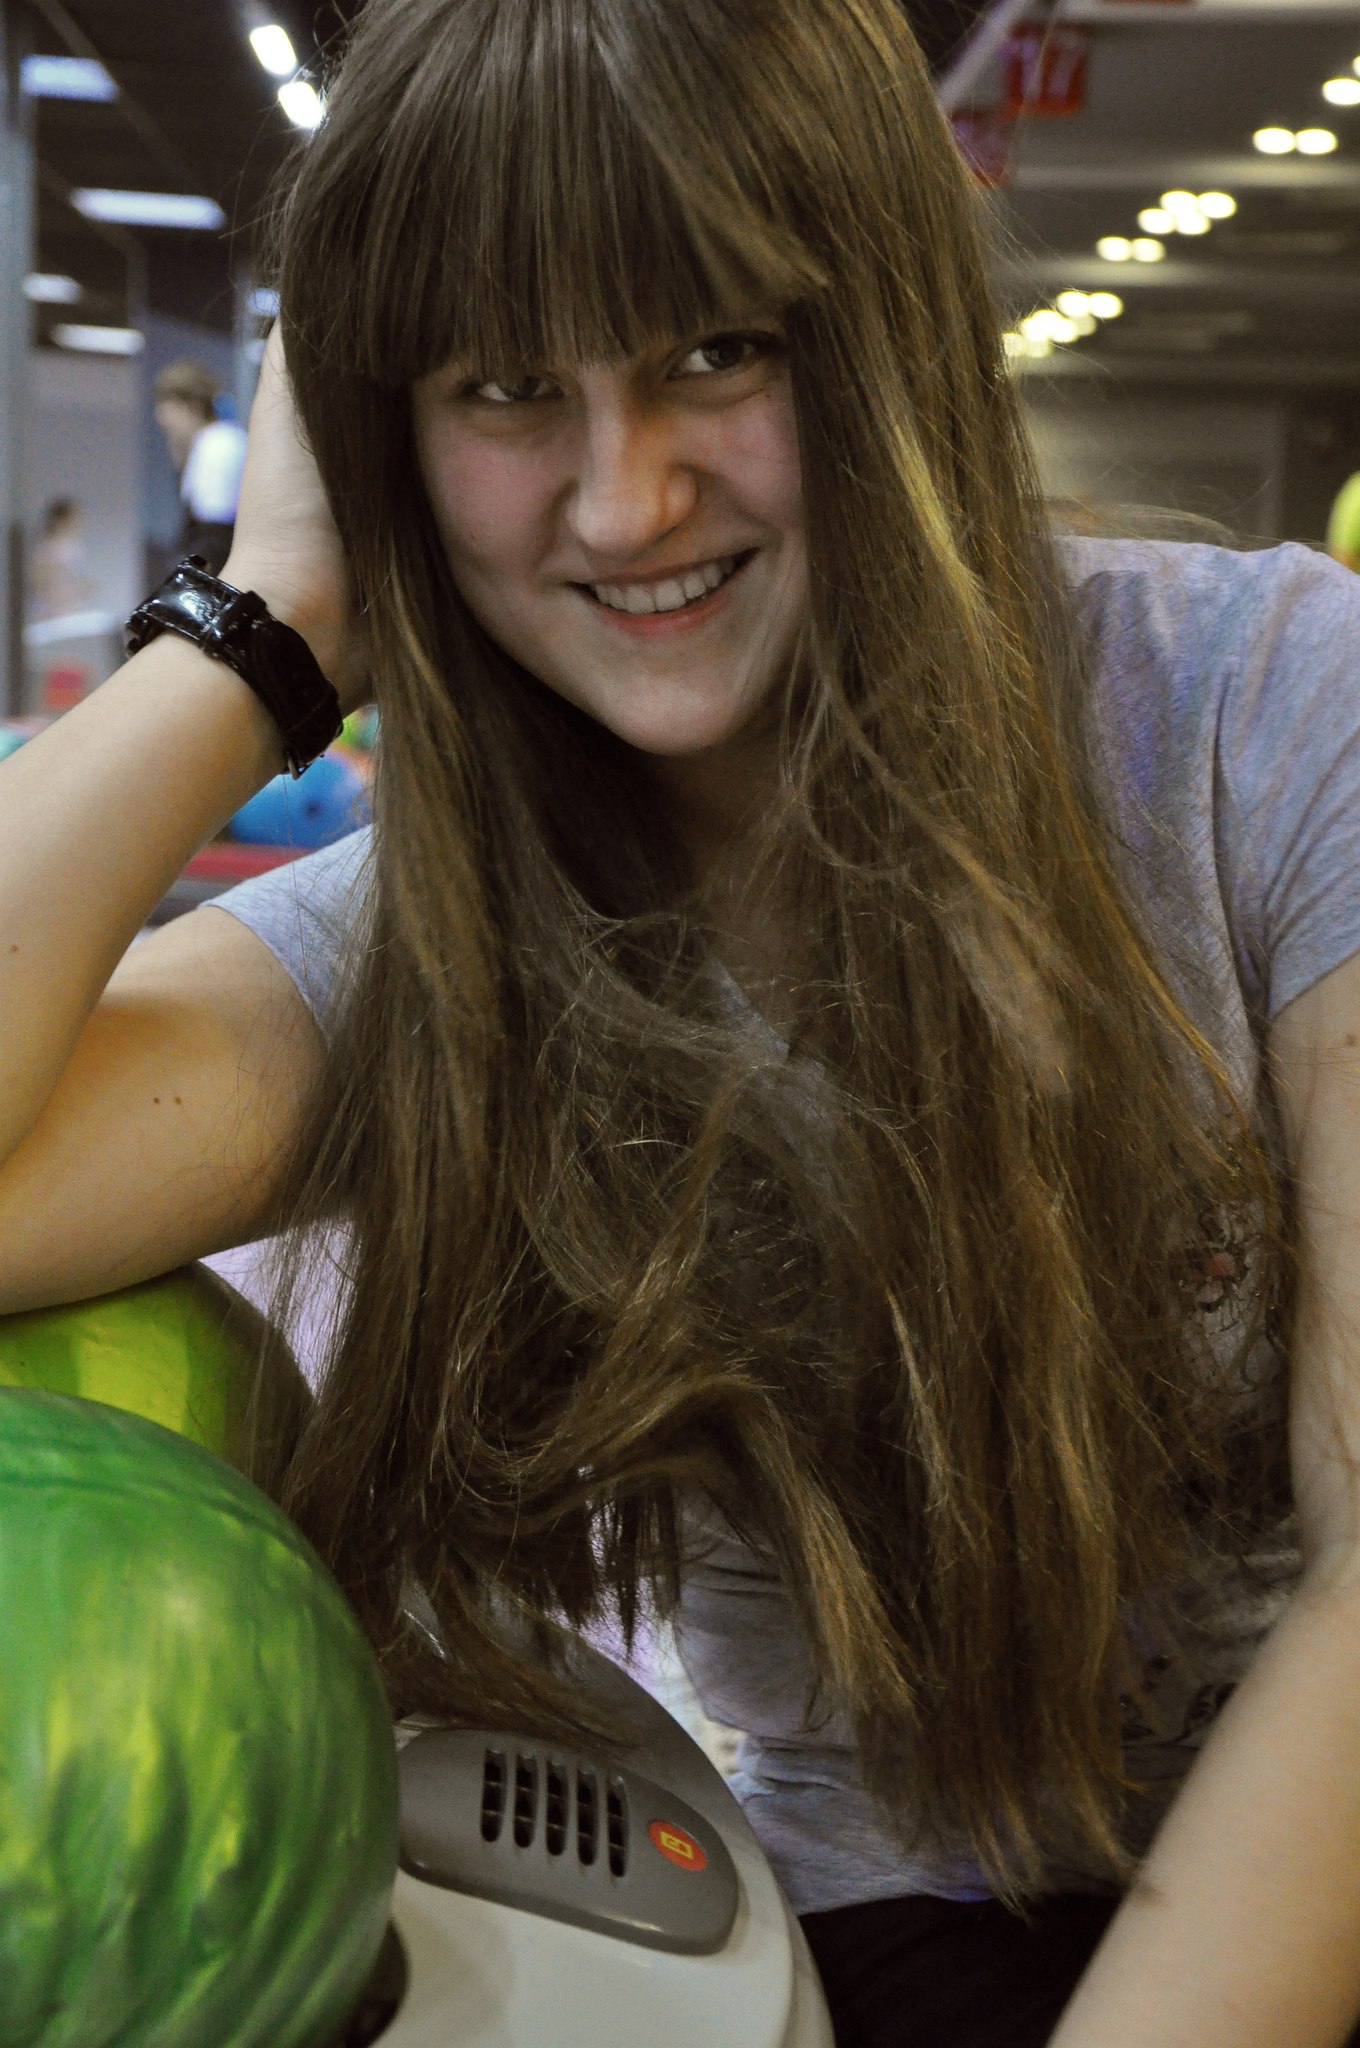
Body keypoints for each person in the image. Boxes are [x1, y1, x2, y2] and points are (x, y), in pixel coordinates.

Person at [3, 3, 1360, 2043]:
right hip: (895, 1912)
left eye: (715, 350)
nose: (627, 500)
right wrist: (269, 625)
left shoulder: (1263, 715)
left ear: (883, 338)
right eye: (504, 387)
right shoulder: (449, 937)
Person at [152, 359, 248, 574]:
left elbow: (215, 538)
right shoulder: (209, 444)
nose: (160, 419)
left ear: (191, 406)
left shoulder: (218, 445)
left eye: (166, 407)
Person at [27, 496, 98, 619]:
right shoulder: (48, 547)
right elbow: (39, 580)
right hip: (49, 607)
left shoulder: (74, 545)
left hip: (66, 605)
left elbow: (72, 577)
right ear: (61, 520)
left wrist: (79, 588)